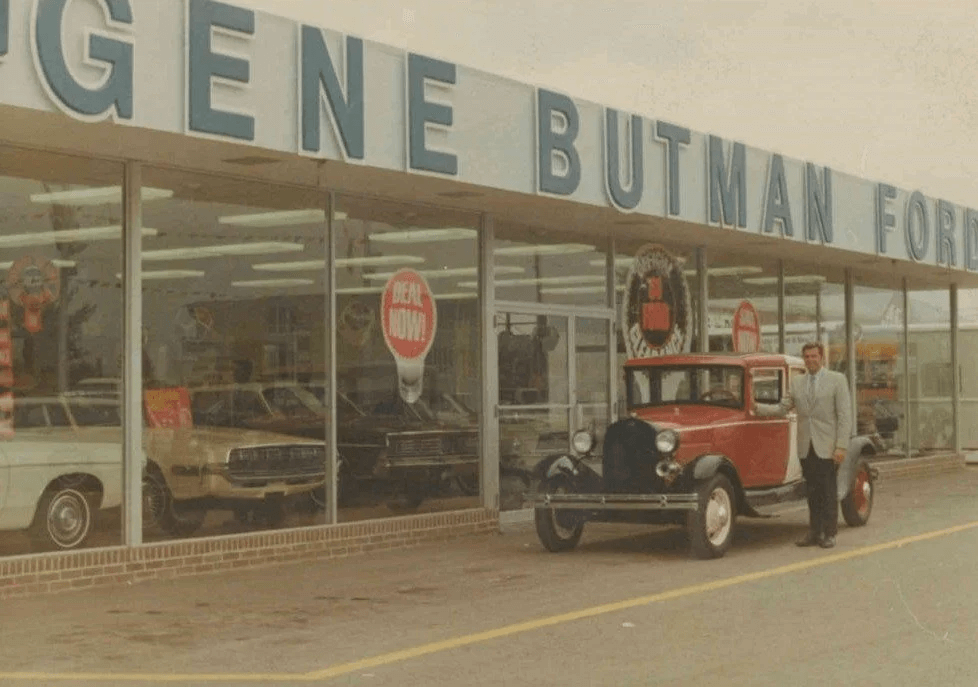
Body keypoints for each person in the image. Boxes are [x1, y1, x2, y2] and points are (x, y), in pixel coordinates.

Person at [755, 342, 852, 549]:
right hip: (805, 446)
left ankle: (829, 533)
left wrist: (841, 446)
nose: (810, 360)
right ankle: (814, 532)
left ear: (822, 358)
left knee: (828, 490)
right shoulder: (797, 382)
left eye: (814, 356)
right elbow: (782, 408)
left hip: (827, 446)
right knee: (813, 491)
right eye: (806, 357)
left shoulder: (837, 380)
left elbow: (844, 417)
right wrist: (755, 406)